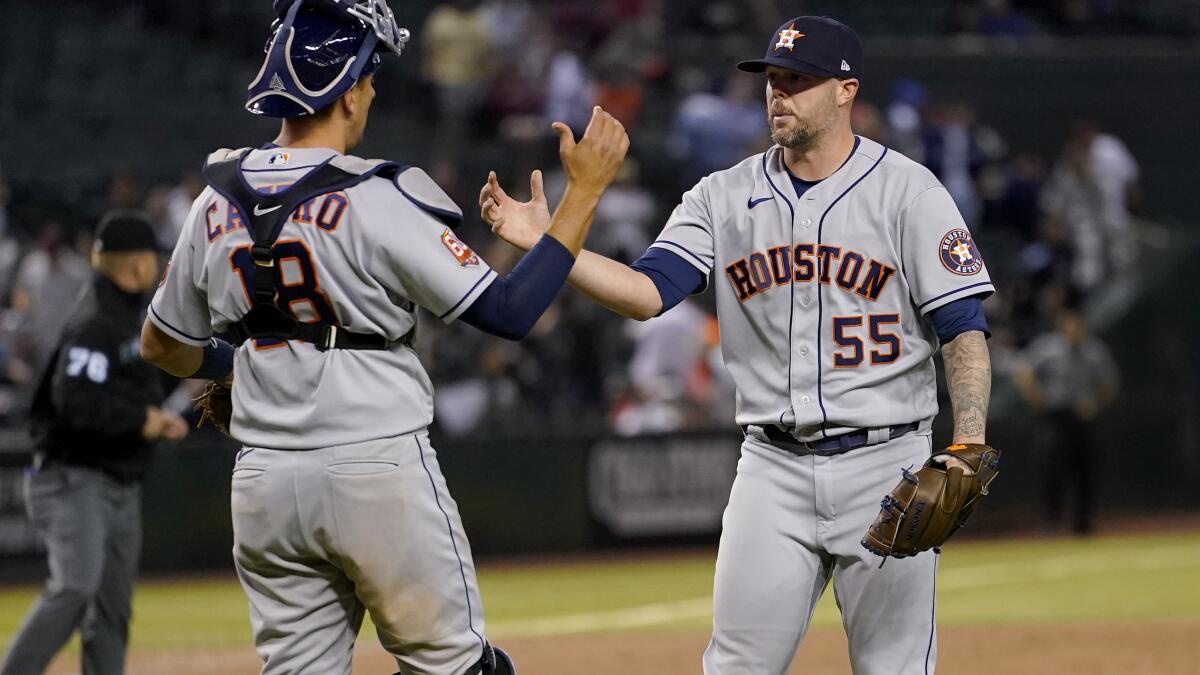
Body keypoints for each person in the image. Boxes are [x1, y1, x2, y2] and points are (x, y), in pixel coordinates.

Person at [482, 15, 995, 674]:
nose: (779, 93)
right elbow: (643, 292)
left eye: (799, 81)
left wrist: (969, 441)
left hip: (886, 461)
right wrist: (553, 242)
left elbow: (963, 327)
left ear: (845, 91)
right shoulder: (722, 195)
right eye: (773, 79)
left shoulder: (909, 192)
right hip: (771, 469)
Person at [138, 1, 627, 673]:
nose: (371, 91)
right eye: (368, 77)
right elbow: (511, 312)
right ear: (343, 89)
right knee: (458, 667)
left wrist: (236, 362)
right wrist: (584, 196)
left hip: (264, 483)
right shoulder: (375, 195)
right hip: (375, 467)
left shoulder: (213, 196)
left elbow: (161, 346)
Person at [1, 212, 188, 675]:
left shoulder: (127, 317)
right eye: (152, 258)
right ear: (136, 265)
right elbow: (75, 404)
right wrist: (140, 419)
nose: (157, 266)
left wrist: (155, 416)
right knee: (75, 589)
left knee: (111, 612)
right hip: (72, 478)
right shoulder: (94, 321)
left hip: (118, 481)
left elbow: (122, 390)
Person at [1012, 302, 1118, 535]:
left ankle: (1083, 523)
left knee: (1085, 471)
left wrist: (1094, 404)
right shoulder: (1048, 348)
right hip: (1054, 416)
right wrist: (1037, 398)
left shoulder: (1095, 351)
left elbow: (1109, 385)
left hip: (1083, 419)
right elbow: (1022, 371)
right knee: (1051, 469)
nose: (1072, 328)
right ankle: (1049, 522)